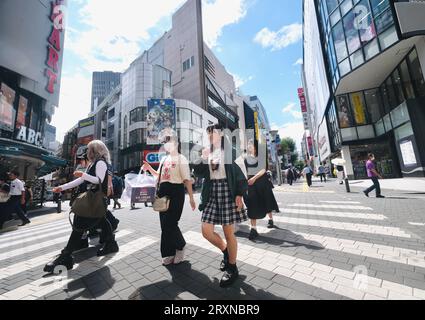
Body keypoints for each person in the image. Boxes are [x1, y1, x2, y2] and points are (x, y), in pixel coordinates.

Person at [44, 140, 119, 273]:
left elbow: (99, 181)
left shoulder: (100, 162)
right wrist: (62, 187)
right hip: (93, 200)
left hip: (93, 199)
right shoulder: (93, 164)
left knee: (79, 224)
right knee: (101, 219)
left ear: (95, 150)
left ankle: (66, 256)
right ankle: (111, 244)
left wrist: (83, 174)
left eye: (89, 149)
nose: (87, 152)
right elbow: (81, 180)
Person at [193, 124, 248, 288]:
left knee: (228, 231)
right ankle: (225, 251)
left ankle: (232, 267)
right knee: (206, 231)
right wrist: (202, 159)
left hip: (228, 190)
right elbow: (198, 173)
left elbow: (242, 173)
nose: (210, 135)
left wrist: (239, 193)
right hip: (211, 191)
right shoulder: (207, 152)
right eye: (208, 133)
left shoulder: (231, 152)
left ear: (222, 134)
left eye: (213, 132)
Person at [142, 132, 196, 266]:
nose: (166, 144)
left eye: (169, 141)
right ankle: (168, 253)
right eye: (165, 142)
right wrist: (149, 168)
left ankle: (180, 246)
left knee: (171, 223)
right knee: (164, 225)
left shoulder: (181, 158)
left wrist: (191, 198)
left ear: (176, 143)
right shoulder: (164, 159)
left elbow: (187, 180)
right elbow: (159, 176)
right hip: (163, 192)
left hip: (176, 192)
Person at [245, 140, 279, 241]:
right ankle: (253, 229)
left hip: (262, 182)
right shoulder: (246, 158)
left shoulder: (261, 156)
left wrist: (254, 178)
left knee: (267, 201)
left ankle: (270, 219)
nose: (249, 147)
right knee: (252, 205)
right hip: (251, 184)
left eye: (250, 145)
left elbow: (263, 169)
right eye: (248, 145)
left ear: (255, 146)